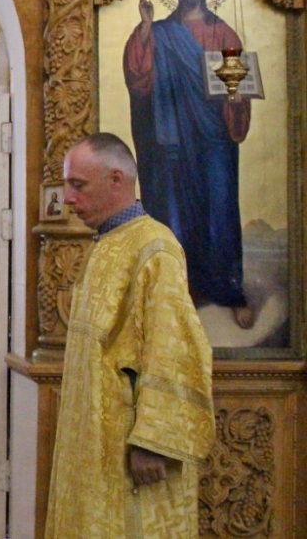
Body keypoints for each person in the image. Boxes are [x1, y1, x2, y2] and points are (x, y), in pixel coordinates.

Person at [45, 133, 215, 539]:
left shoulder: (155, 248)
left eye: (78, 185)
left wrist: (152, 441)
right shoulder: (107, 243)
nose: (68, 198)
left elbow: (173, 348)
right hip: (95, 440)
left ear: (116, 179)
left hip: (131, 449)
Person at [123, 0, 253, 328]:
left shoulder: (224, 34)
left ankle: (228, 289)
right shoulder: (159, 32)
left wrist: (235, 96)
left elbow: (238, 87)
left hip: (213, 137)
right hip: (172, 138)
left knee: (219, 205)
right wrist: (145, 27)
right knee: (172, 208)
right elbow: (138, 77)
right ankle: (176, 289)